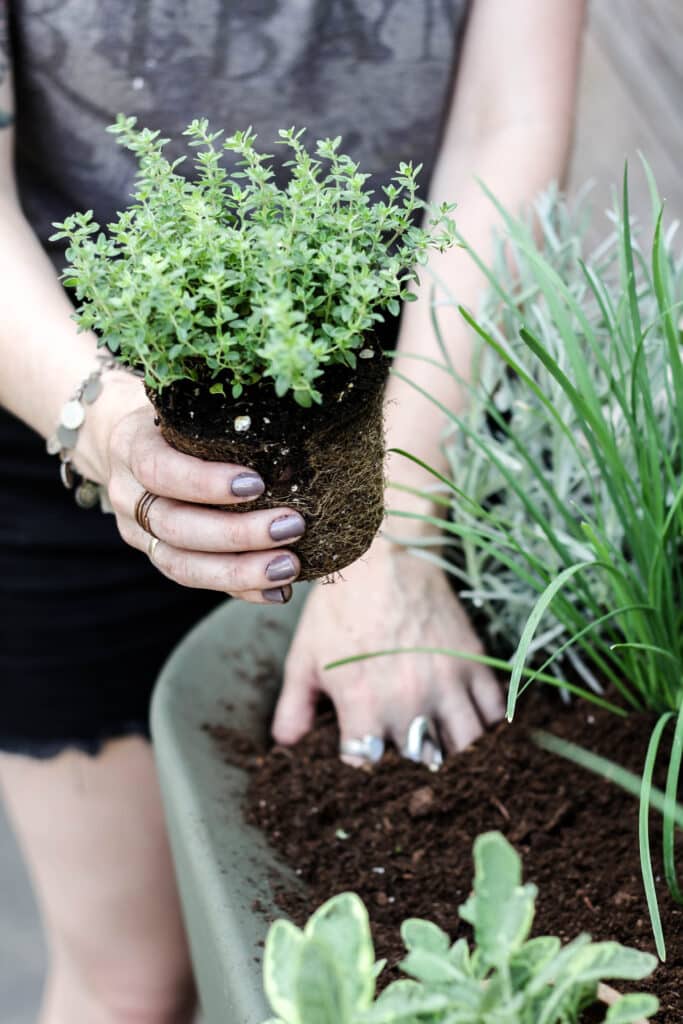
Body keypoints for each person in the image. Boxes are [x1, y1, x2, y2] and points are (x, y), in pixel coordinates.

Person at [0, 2, 585, 1021]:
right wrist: (104, 427)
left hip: (429, 376)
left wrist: (390, 517)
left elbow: (509, 113)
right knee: (130, 980)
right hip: (54, 396)